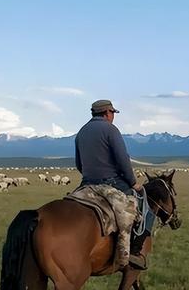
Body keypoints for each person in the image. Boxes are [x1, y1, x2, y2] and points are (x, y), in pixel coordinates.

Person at [74, 99, 148, 270]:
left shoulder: (81, 132)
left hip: (86, 183)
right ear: (107, 112)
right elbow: (123, 161)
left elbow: (79, 164)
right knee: (143, 205)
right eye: (113, 113)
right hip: (110, 183)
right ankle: (133, 252)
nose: (113, 116)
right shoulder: (111, 130)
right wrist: (133, 183)